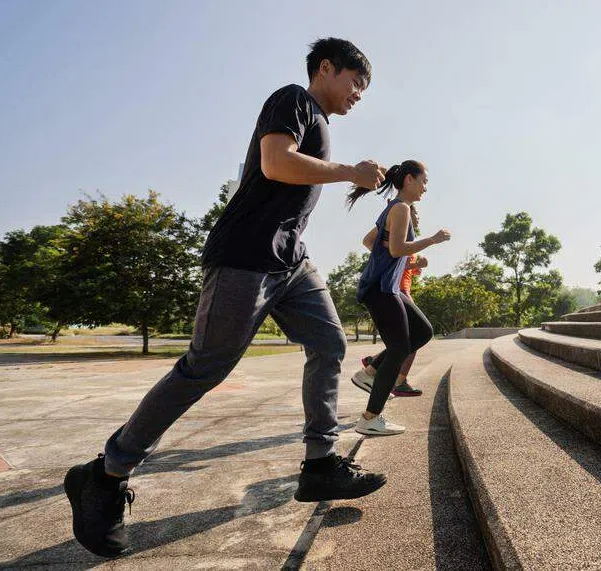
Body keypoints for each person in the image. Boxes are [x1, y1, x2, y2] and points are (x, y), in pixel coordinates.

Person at [64, 38, 388, 559]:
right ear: (326, 68)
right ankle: (105, 473)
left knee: (329, 343)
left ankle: (320, 464)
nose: (358, 95)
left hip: (291, 261)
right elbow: (276, 163)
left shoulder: (319, 122)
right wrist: (351, 172)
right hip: (244, 256)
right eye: (356, 82)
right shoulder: (293, 99)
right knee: (205, 368)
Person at [345, 161, 450, 435]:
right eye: (423, 181)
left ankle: (370, 373)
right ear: (409, 180)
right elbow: (397, 249)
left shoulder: (394, 208)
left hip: (386, 287)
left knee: (422, 331)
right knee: (399, 347)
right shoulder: (401, 208)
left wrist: (389, 254)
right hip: (380, 289)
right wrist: (433, 239)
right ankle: (370, 417)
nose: (425, 187)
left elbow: (372, 241)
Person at [360, 204, 428, 397]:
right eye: (415, 213)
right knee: (415, 335)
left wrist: (415, 266)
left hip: (402, 288)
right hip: (397, 289)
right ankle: (398, 381)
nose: (418, 217)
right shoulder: (397, 227)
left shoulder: (407, 238)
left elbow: (401, 263)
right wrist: (414, 263)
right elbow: (390, 256)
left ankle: (376, 364)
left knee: (408, 338)